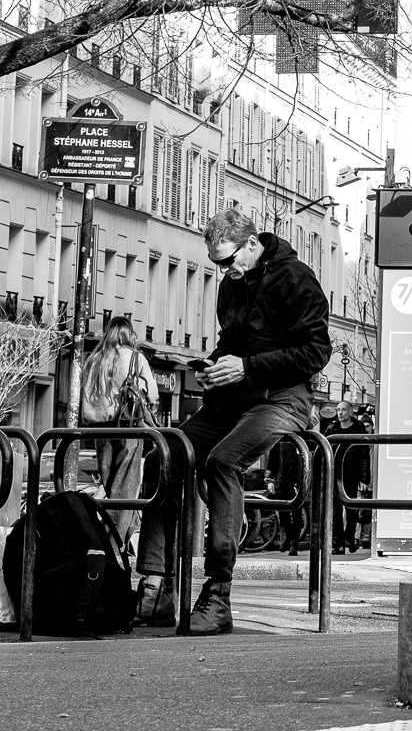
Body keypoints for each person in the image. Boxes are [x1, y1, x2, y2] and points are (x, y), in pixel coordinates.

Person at [134, 208, 331, 635]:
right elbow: (232, 342)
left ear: (252, 244)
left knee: (223, 461)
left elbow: (316, 352)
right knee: (162, 457)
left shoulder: (296, 279)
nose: (224, 270)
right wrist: (215, 365)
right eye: (216, 263)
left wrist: (247, 367)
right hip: (232, 399)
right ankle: (156, 584)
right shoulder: (232, 284)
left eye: (228, 260)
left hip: (281, 398)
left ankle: (218, 592)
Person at [81, 316, 157, 555]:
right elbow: (153, 395)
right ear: (129, 334)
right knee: (125, 488)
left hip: (101, 429)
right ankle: (112, 547)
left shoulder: (94, 359)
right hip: (127, 426)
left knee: (111, 484)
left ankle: (126, 536)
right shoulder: (134, 357)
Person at [327, 402, 371, 552]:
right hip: (334, 474)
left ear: (351, 412)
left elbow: (364, 455)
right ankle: (338, 542)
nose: (340, 413)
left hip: (352, 474)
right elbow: (324, 452)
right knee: (336, 511)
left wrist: (365, 479)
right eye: (338, 410)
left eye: (343, 410)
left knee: (350, 508)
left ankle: (350, 537)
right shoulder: (332, 429)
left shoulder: (359, 429)